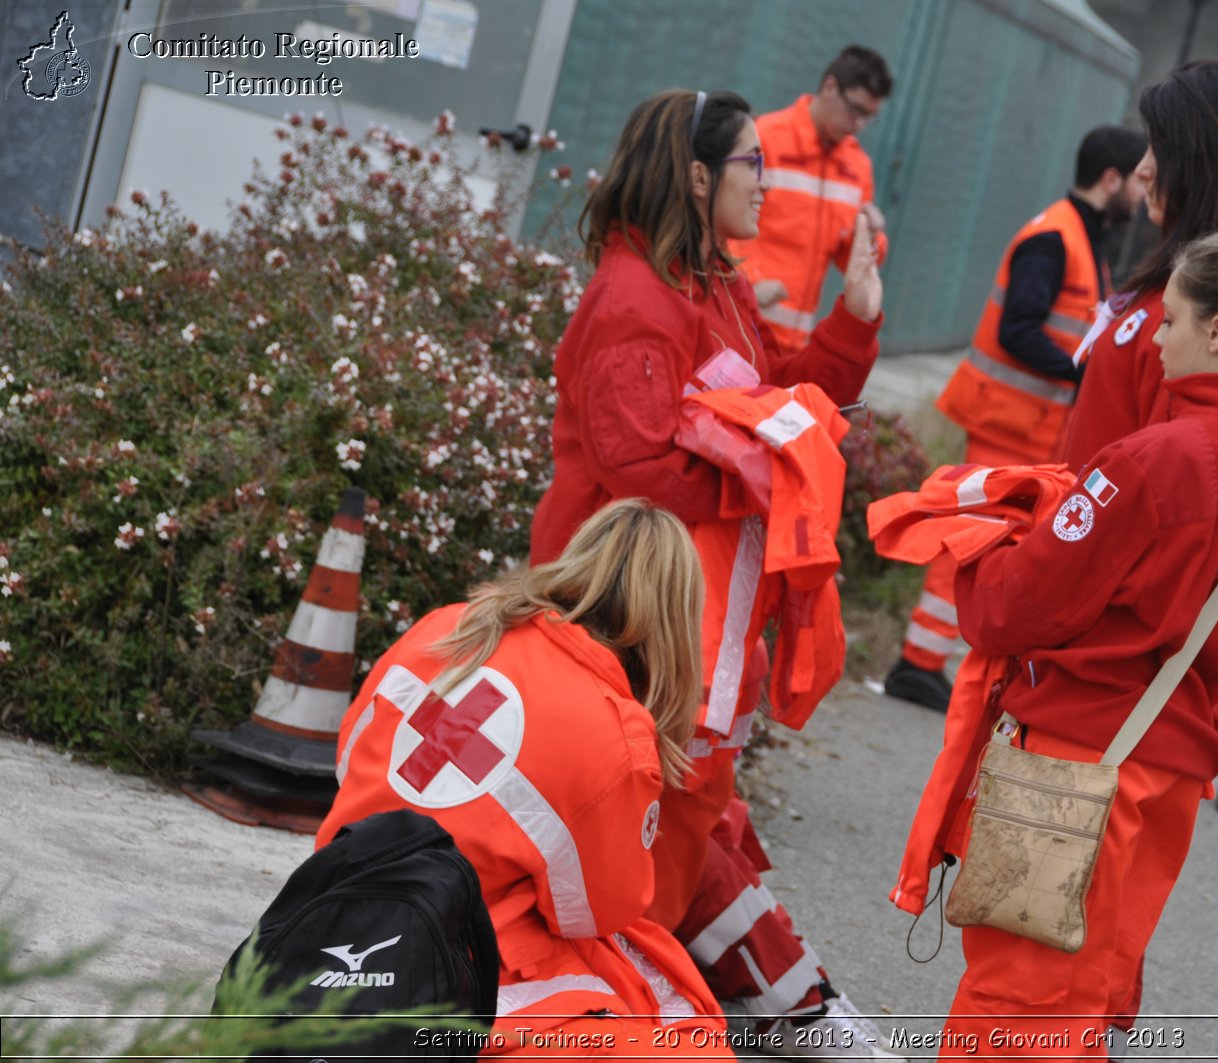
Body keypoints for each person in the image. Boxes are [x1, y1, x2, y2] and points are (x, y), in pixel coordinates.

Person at [527, 90, 895, 1058]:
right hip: (626, 614)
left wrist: (854, 323)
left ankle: (763, 1002)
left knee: (695, 821)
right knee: (662, 824)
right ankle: (632, 1005)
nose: (768, 186)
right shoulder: (637, 296)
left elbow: (783, 393)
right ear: (696, 176)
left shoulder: (707, 283)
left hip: (681, 613)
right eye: (751, 166)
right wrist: (764, 469)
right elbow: (639, 463)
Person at [919, 226, 1218, 1057]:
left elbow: (1012, 609)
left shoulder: (1153, 457)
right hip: (1168, 768)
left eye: (1172, 318)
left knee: (1015, 1003)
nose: (1154, 335)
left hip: (1079, 762)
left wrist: (976, 542)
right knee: (1089, 1003)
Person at [318, 499, 735, 1057]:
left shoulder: (449, 625)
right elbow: (599, 910)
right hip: (450, 947)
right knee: (675, 1027)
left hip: (327, 904)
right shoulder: (617, 733)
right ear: (676, 621)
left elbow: (349, 758)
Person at [884, 125, 1149, 711]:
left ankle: (929, 660)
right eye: (1138, 177)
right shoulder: (1056, 238)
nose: (1145, 188)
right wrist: (1084, 375)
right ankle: (917, 663)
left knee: (989, 544)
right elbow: (1018, 330)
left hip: (1025, 424)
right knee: (973, 543)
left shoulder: (1079, 235)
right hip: (1008, 422)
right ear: (1112, 179)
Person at [1053, 60, 1218, 471]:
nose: (1142, 169)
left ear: (1212, 165)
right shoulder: (1196, 300)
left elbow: (1171, 491)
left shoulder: (1207, 319)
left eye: (1161, 149)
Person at [727, 45, 893, 358]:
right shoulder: (766, 137)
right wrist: (751, 285)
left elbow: (851, 263)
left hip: (794, 344)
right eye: (854, 110)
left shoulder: (857, 167)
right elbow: (721, 224)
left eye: (869, 117)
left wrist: (871, 235)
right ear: (829, 87)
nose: (857, 124)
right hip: (739, 322)